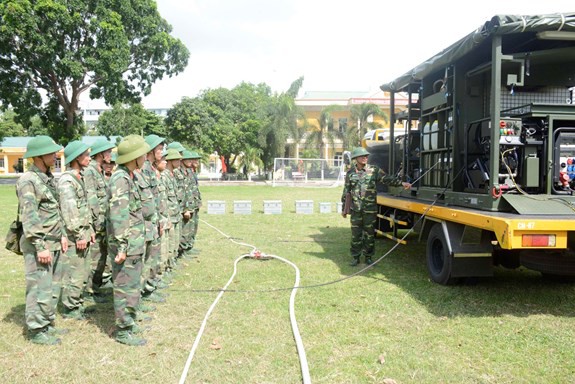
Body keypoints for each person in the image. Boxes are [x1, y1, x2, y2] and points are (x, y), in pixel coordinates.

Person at [16, 135, 68, 345]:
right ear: (39, 156)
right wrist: (40, 246)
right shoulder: (28, 180)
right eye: (51, 152)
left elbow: (55, 210)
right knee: (39, 286)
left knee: (52, 287)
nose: (55, 155)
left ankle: (46, 323)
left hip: (55, 241)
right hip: (41, 244)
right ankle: (36, 329)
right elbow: (30, 216)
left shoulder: (48, 178)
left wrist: (63, 234)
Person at [107, 135, 150, 346]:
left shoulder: (129, 176)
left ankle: (130, 320)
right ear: (134, 157)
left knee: (133, 284)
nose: (145, 157)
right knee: (124, 286)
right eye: (142, 154)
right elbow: (119, 214)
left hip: (134, 242)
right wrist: (122, 246)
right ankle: (123, 330)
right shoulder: (120, 179)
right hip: (127, 244)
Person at [341, 147, 410, 266]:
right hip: (356, 210)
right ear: (356, 159)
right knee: (356, 234)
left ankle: (368, 257)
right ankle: (355, 257)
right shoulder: (350, 173)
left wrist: (401, 183)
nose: (365, 158)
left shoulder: (374, 170)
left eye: (366, 156)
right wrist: (344, 209)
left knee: (369, 234)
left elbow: (387, 179)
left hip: (369, 209)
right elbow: (346, 192)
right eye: (362, 156)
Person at [58, 141, 95, 320]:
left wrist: (91, 230)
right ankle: (70, 308)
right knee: (74, 272)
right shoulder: (67, 181)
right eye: (86, 155)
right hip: (75, 236)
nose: (89, 158)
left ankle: (78, 302)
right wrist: (80, 234)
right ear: (76, 158)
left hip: (83, 232)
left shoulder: (79, 177)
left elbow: (84, 207)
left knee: (84, 271)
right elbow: (70, 211)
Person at [83, 138, 115, 302]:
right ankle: (89, 291)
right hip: (97, 223)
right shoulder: (90, 171)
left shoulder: (100, 171)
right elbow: (91, 198)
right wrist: (96, 224)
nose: (110, 155)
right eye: (108, 152)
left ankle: (97, 286)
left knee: (102, 257)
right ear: (100, 154)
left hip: (103, 222)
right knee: (95, 258)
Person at [162, 148, 183, 274]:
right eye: (177, 159)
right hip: (169, 215)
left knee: (174, 242)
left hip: (175, 214)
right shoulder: (164, 176)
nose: (180, 162)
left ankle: (171, 264)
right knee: (169, 244)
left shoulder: (171, 175)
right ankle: (167, 268)